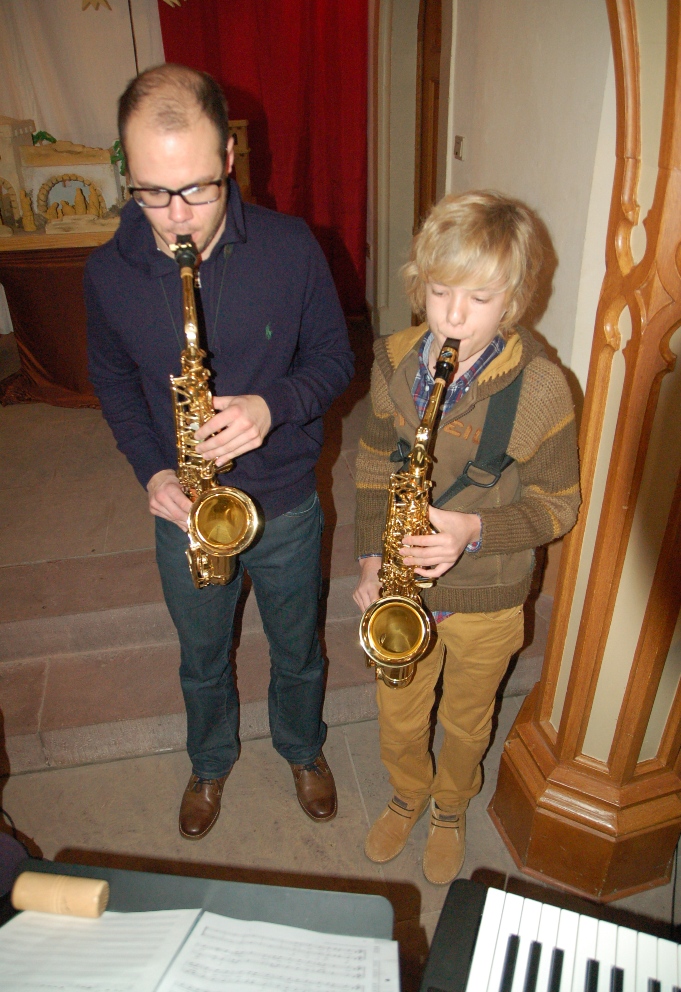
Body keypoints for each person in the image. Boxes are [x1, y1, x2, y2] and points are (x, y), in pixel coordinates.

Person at [85, 64, 354, 839]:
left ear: (229, 159)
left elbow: (335, 359)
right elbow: (113, 381)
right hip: (186, 510)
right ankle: (209, 761)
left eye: (197, 190)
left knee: (297, 648)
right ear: (127, 174)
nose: (176, 217)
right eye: (151, 192)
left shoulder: (291, 247)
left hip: (286, 499)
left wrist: (273, 406)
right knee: (201, 655)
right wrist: (152, 470)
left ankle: (301, 747)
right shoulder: (107, 271)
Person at [353, 192, 580, 884]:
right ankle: (406, 792)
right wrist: (370, 560)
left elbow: (559, 507)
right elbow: (372, 463)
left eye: (479, 298)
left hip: (488, 595)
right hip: (403, 593)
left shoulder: (542, 388)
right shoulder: (394, 362)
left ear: (513, 300)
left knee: (466, 719)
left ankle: (450, 806)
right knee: (398, 715)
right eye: (439, 290)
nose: (453, 316)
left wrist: (475, 531)